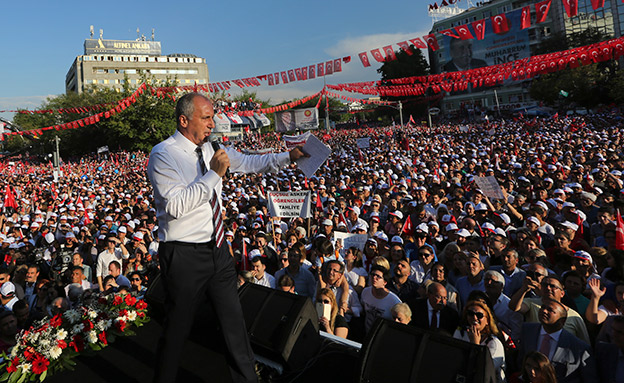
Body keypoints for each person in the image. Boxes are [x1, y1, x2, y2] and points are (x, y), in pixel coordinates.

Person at [147, 92, 307, 383]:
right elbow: (175, 206)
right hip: (184, 255)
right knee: (177, 331)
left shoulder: (211, 148)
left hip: (218, 250)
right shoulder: (163, 154)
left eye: (213, 117)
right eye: (206, 118)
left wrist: (288, 157)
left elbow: (248, 162)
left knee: (234, 325)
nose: (212, 124)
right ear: (184, 120)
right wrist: (213, 175)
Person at [518, 300, 598, 383]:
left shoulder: (579, 348)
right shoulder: (527, 331)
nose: (544, 311)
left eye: (550, 310)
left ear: (562, 321)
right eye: (543, 307)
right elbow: (520, 362)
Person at [453, 300, 506, 383]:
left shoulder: (494, 343)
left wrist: (475, 345)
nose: (474, 318)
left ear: (487, 321)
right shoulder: (460, 333)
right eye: (470, 314)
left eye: (479, 315)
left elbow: (483, 370)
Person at [360, 265, 402, 333]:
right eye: (372, 275)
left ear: (385, 282)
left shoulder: (394, 301)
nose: (374, 278)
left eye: (378, 277)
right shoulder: (365, 292)